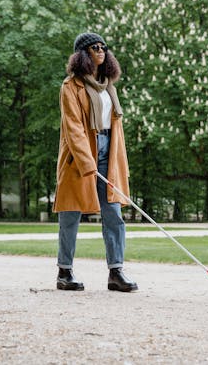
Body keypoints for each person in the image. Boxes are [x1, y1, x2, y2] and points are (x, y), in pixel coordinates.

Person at [53, 32, 138, 292]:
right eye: (94, 47)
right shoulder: (71, 87)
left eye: (103, 47)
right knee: (71, 212)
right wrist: (85, 159)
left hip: (108, 151)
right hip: (79, 155)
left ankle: (116, 271)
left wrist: (117, 161)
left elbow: (116, 127)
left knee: (113, 213)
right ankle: (64, 272)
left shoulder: (108, 86)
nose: (100, 50)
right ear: (83, 54)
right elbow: (73, 127)